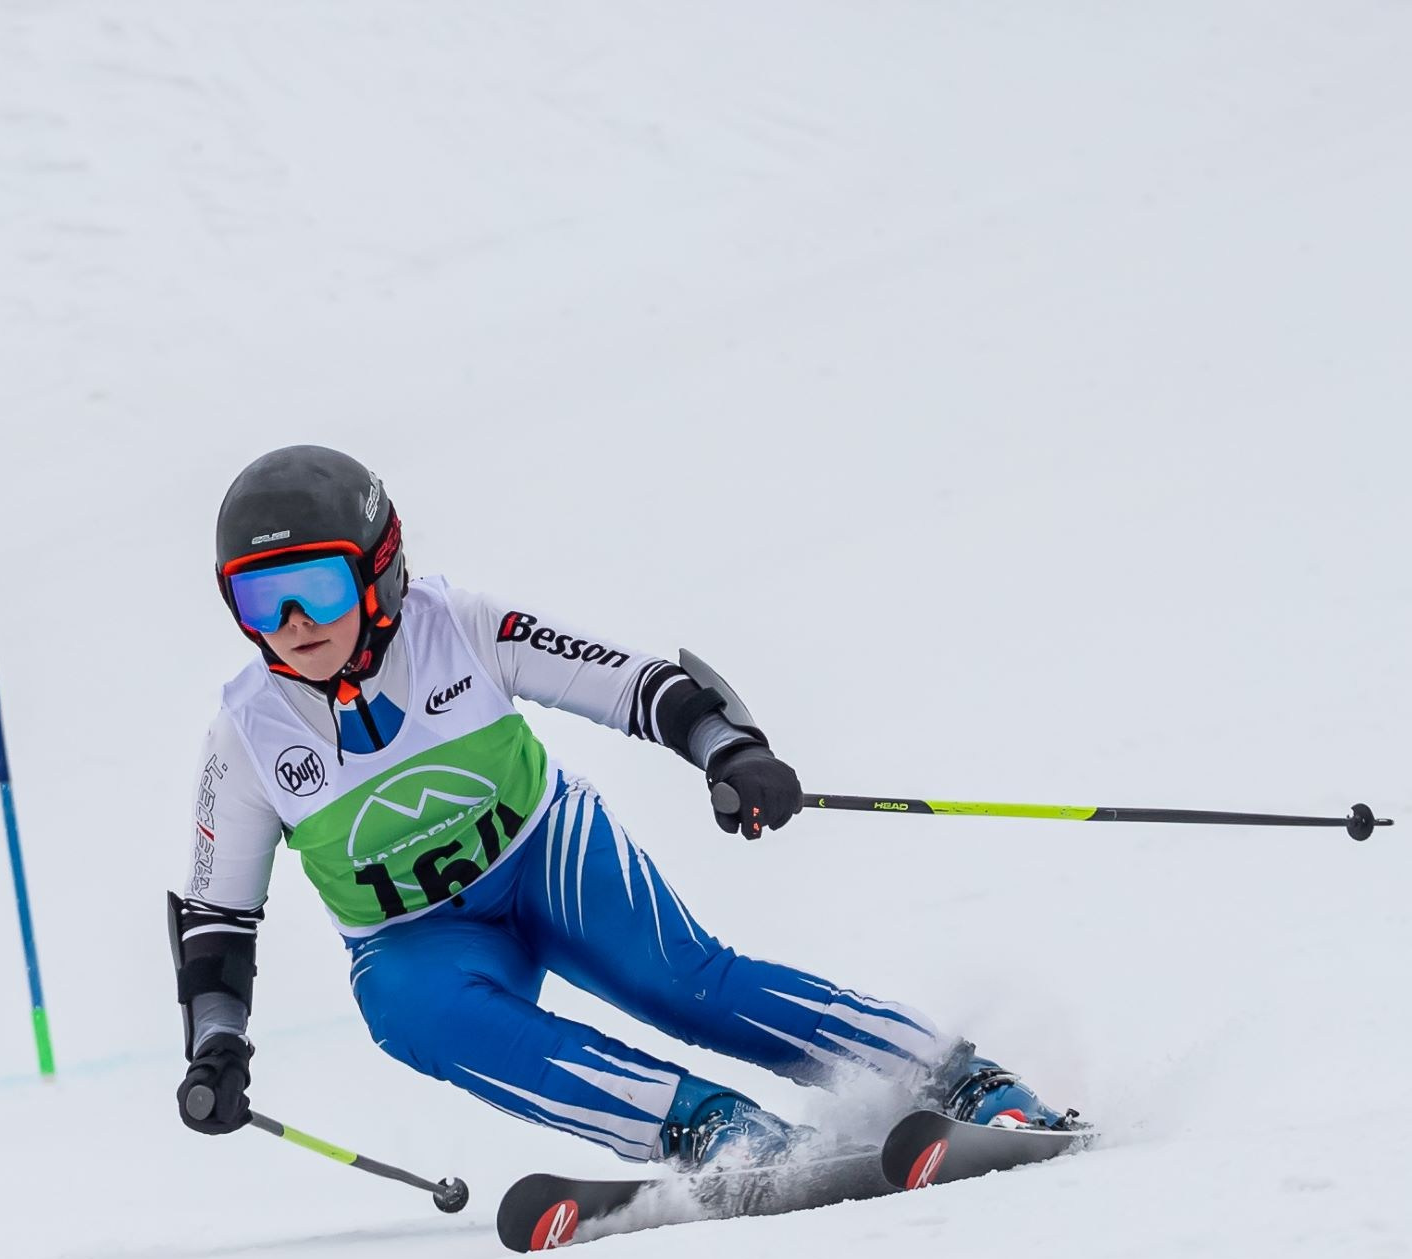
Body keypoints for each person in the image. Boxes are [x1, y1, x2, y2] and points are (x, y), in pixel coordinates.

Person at [169, 445, 1072, 1169]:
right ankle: (712, 1133)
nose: (291, 620)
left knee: (680, 981)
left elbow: (625, 680)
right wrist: (217, 1041)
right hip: (415, 939)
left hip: (543, 856)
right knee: (406, 1011)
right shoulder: (245, 734)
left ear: (378, 571)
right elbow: (217, 915)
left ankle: (959, 1078)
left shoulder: (460, 626)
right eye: (259, 595)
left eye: (315, 586)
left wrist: (728, 747)